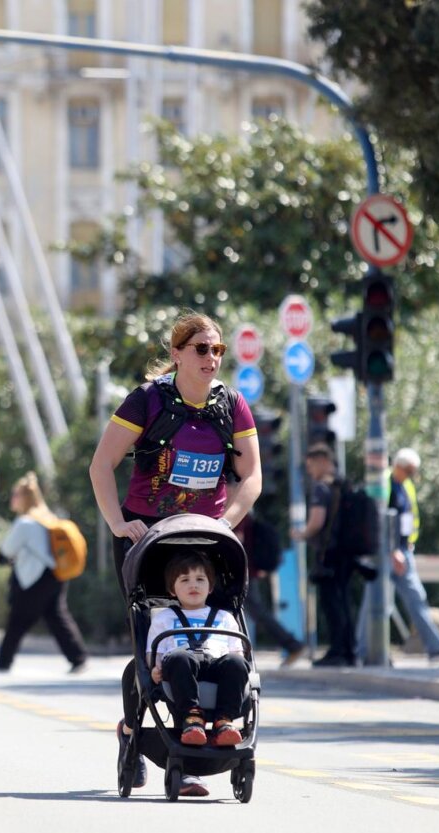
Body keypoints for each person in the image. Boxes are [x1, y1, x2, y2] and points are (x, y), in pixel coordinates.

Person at [89, 311, 260, 796]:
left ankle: (198, 734)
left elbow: (252, 477)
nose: (212, 359)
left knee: (210, 636)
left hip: (208, 539)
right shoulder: (147, 401)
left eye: (218, 350)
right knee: (156, 642)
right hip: (149, 538)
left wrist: (227, 522)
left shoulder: (233, 406)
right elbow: (101, 466)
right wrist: (118, 523)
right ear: (178, 353)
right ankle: (157, 746)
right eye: (202, 349)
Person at [148, 551, 248, 761]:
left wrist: (240, 662)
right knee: (178, 657)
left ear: (210, 587)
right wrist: (155, 668)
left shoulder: (225, 617)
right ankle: (192, 717)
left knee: (237, 663)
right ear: (171, 590)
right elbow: (154, 651)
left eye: (200, 580)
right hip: (182, 665)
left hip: (217, 665)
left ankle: (224, 720)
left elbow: (237, 650)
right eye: (184, 580)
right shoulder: (164, 618)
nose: (193, 585)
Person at [355, 448, 439, 661]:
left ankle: (435, 647)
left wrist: (407, 546)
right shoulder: (384, 483)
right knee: (373, 601)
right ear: (397, 465)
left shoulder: (406, 486)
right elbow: (380, 521)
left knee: (417, 598)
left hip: (403, 553)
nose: (411, 475)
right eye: (409, 470)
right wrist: (391, 550)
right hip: (386, 553)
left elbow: (409, 519)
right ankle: (361, 651)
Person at [0, 472, 89, 674]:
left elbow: (6, 551)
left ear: (24, 498)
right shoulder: (48, 518)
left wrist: (4, 558)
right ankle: (78, 658)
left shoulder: (25, 523)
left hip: (34, 578)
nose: (12, 499)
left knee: (18, 619)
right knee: (56, 617)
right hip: (56, 575)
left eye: (15, 495)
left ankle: (3, 661)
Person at [292, 443, 359, 667]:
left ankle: (337, 651)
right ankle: (349, 650)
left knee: (331, 603)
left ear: (322, 461)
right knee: (344, 601)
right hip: (348, 552)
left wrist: (301, 533)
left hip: (329, 554)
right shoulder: (345, 484)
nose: (310, 471)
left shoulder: (322, 488)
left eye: (311, 466)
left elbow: (317, 522)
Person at [236, 513, 306, 667]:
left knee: (254, 611)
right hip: (243, 569)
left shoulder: (237, 514)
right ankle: (291, 644)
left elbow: (238, 539)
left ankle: (292, 644)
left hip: (239, 570)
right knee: (250, 611)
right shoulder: (243, 512)